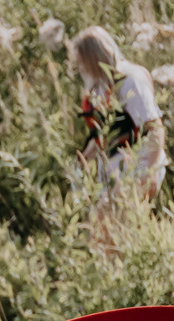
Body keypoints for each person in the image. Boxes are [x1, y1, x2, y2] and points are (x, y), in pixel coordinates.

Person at [69, 26, 168, 202]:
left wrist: (150, 172)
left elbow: (155, 128)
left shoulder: (130, 81)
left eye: (82, 62)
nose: (80, 68)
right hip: (112, 170)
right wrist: (82, 162)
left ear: (94, 58)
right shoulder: (97, 89)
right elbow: (103, 136)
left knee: (106, 219)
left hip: (139, 163)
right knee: (102, 226)